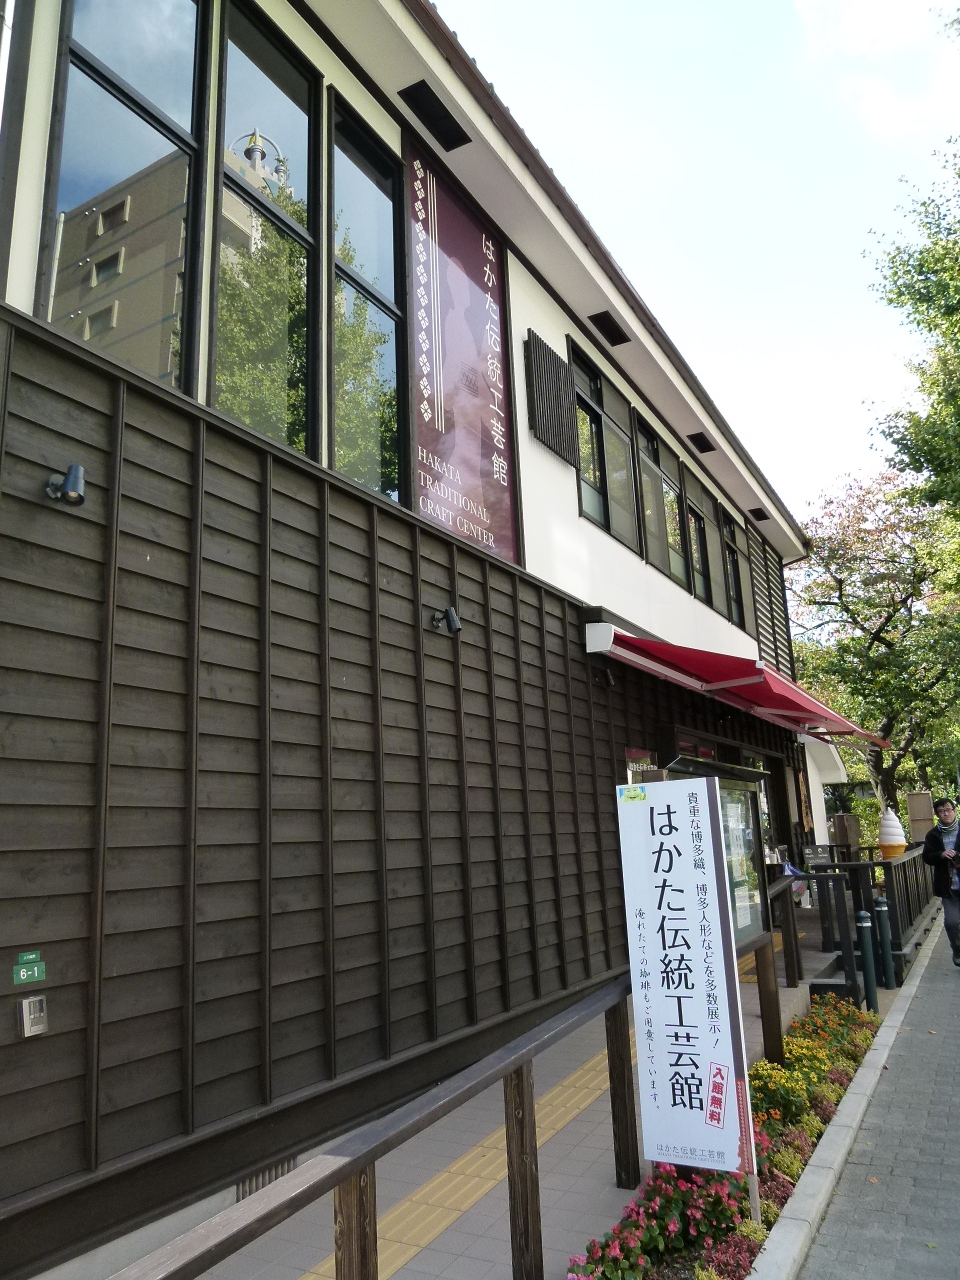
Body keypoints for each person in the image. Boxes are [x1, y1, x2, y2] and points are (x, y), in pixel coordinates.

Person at [922, 798, 960, 967]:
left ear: (954, 810)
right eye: (941, 811)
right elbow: (927, 857)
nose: (946, 813)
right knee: (952, 922)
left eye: (948, 809)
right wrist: (941, 855)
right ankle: (957, 950)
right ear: (937, 814)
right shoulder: (933, 835)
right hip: (949, 886)